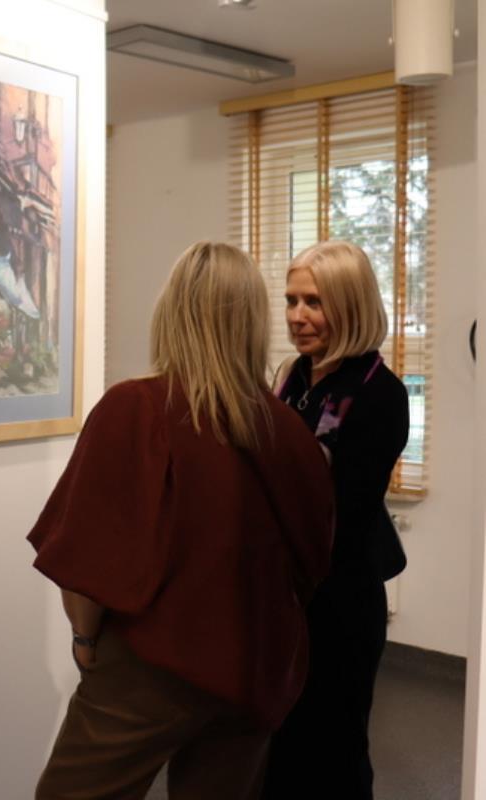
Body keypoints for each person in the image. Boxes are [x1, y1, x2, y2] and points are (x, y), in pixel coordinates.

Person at [28, 242, 334, 799]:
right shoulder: (292, 433)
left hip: (152, 666)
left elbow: (85, 557)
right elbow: (312, 562)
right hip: (258, 669)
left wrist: (84, 638)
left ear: (172, 312)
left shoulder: (137, 408)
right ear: (254, 322)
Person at [262, 240, 410, 800]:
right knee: (277, 749)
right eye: (291, 300)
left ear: (349, 305)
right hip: (283, 595)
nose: (297, 316)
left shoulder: (380, 394)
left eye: (314, 302)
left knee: (333, 751)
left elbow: (344, 514)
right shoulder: (291, 378)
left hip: (338, 600)